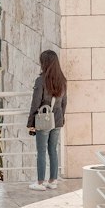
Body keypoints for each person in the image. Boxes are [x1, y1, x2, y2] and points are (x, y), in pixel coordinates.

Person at [27, 49, 67, 190]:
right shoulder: (62, 80)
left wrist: (30, 123)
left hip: (43, 120)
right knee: (53, 150)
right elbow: (64, 103)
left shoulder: (40, 80)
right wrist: (62, 119)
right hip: (57, 119)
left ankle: (40, 182)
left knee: (41, 151)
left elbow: (35, 103)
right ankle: (53, 180)